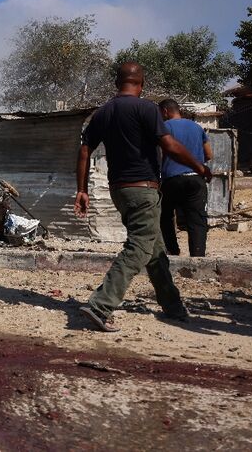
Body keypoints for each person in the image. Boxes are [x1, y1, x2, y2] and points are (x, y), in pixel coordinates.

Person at [75, 63, 212, 332]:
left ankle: (173, 307)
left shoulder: (102, 114)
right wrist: (199, 166)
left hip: (119, 190)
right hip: (143, 189)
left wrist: (82, 190)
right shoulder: (146, 108)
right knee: (139, 246)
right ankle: (100, 305)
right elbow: (169, 145)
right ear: (141, 83)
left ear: (117, 83)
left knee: (155, 249)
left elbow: (83, 152)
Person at [158, 99, 212, 257]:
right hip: (196, 179)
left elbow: (159, 154)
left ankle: (173, 251)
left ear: (165, 111)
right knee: (197, 219)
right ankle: (198, 256)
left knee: (166, 216)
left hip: (171, 180)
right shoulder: (196, 127)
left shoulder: (164, 127)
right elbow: (209, 154)